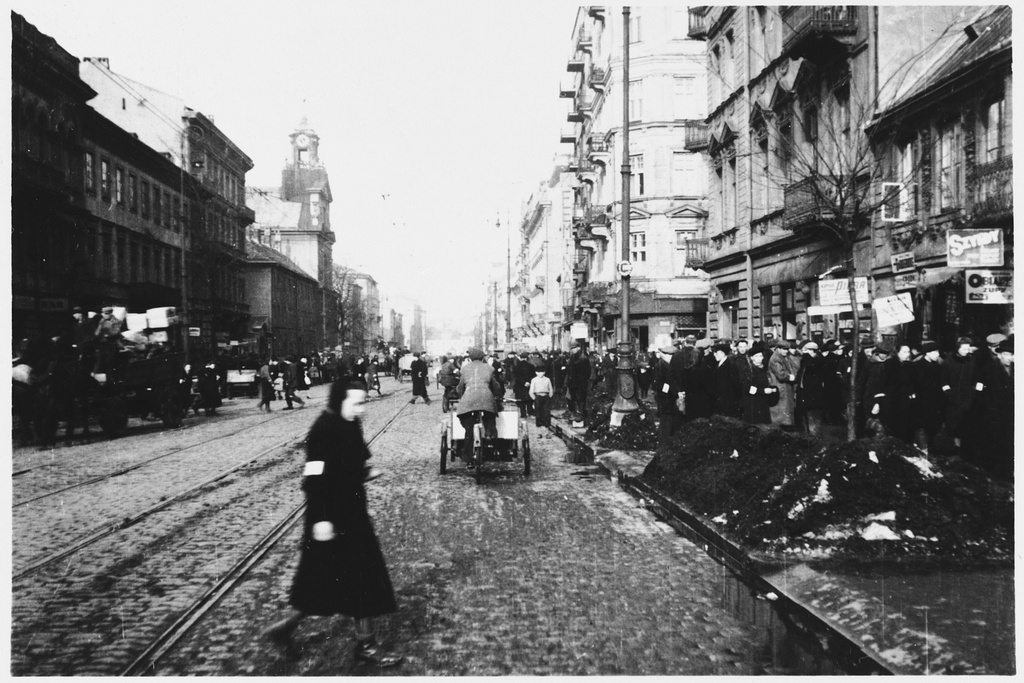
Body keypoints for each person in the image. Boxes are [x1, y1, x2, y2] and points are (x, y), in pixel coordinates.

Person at [263, 381, 402, 668]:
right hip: (329, 516)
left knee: (329, 581)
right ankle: (367, 646)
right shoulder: (322, 429)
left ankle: (285, 629)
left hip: (352, 513)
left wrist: (366, 472)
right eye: (356, 403)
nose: (360, 409)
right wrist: (322, 519)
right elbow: (314, 478)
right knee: (357, 579)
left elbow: (354, 463)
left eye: (363, 402)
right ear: (340, 400)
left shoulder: (350, 423)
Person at [973, 337, 1013, 480]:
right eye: (1007, 355)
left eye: (1012, 355)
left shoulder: (1016, 370)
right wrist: (987, 408)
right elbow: (980, 391)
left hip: (1010, 415)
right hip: (993, 414)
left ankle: (1008, 472)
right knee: (994, 443)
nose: (1010, 358)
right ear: (1000, 355)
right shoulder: (988, 370)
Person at [456, 347, 504, 464]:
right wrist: (497, 396)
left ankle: (467, 456)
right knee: (490, 421)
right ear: (482, 357)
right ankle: (491, 442)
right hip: (486, 400)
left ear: (470, 358)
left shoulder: (465, 369)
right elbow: (496, 387)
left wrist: (462, 396)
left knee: (468, 428)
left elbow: (460, 388)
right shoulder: (489, 368)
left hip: (468, 401)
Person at [910, 341, 945, 456]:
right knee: (922, 429)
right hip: (922, 404)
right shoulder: (917, 366)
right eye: (935, 352)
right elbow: (913, 385)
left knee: (933, 430)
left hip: (934, 404)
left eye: (938, 351)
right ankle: (923, 453)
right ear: (927, 353)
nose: (937, 354)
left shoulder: (938, 367)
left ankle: (930, 455)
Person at [795, 342, 828, 436]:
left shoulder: (819, 361)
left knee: (813, 421)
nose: (803, 353)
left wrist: (806, 355)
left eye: (805, 350)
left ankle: (815, 440)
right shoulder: (805, 361)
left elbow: (812, 365)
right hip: (804, 395)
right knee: (804, 421)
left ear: (812, 351)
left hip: (814, 397)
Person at [652, 344, 681, 445]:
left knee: (669, 421)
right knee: (666, 422)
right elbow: (657, 383)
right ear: (667, 355)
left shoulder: (668, 364)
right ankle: (665, 443)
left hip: (669, 398)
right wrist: (672, 390)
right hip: (665, 398)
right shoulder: (660, 365)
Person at [767, 340, 797, 429]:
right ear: (778, 349)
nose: (786, 351)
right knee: (781, 412)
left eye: (787, 349)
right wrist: (790, 377)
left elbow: (794, 368)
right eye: (784, 349)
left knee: (785, 411)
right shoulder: (775, 358)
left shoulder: (785, 357)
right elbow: (781, 375)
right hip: (781, 388)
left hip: (785, 388)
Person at [740, 348, 775, 424]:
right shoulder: (748, 370)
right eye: (756, 356)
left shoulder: (763, 369)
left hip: (763, 402)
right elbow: (747, 388)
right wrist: (763, 391)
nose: (759, 358)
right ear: (752, 358)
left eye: (760, 356)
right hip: (753, 403)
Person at [709, 343, 742, 418]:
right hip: (721, 401)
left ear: (722, 353)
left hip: (728, 401)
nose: (714, 355)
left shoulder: (731, 365)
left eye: (716, 353)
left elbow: (736, 384)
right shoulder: (718, 364)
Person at [566, 344, 591, 423]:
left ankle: (581, 415)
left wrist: (583, 380)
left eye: (574, 348)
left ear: (578, 348)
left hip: (580, 383)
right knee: (574, 398)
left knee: (581, 399)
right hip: (573, 383)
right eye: (572, 348)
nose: (573, 350)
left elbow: (587, 371)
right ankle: (576, 413)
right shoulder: (573, 357)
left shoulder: (583, 358)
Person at [528, 363, 554, 438]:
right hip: (538, 397)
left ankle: (546, 432)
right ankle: (539, 432)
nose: (540, 373)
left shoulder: (547, 379)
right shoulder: (534, 380)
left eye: (542, 372)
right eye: (538, 372)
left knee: (546, 414)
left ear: (544, 372)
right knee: (538, 414)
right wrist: (535, 398)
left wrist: (549, 397)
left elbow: (551, 389)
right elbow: (531, 391)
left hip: (546, 397)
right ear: (536, 373)